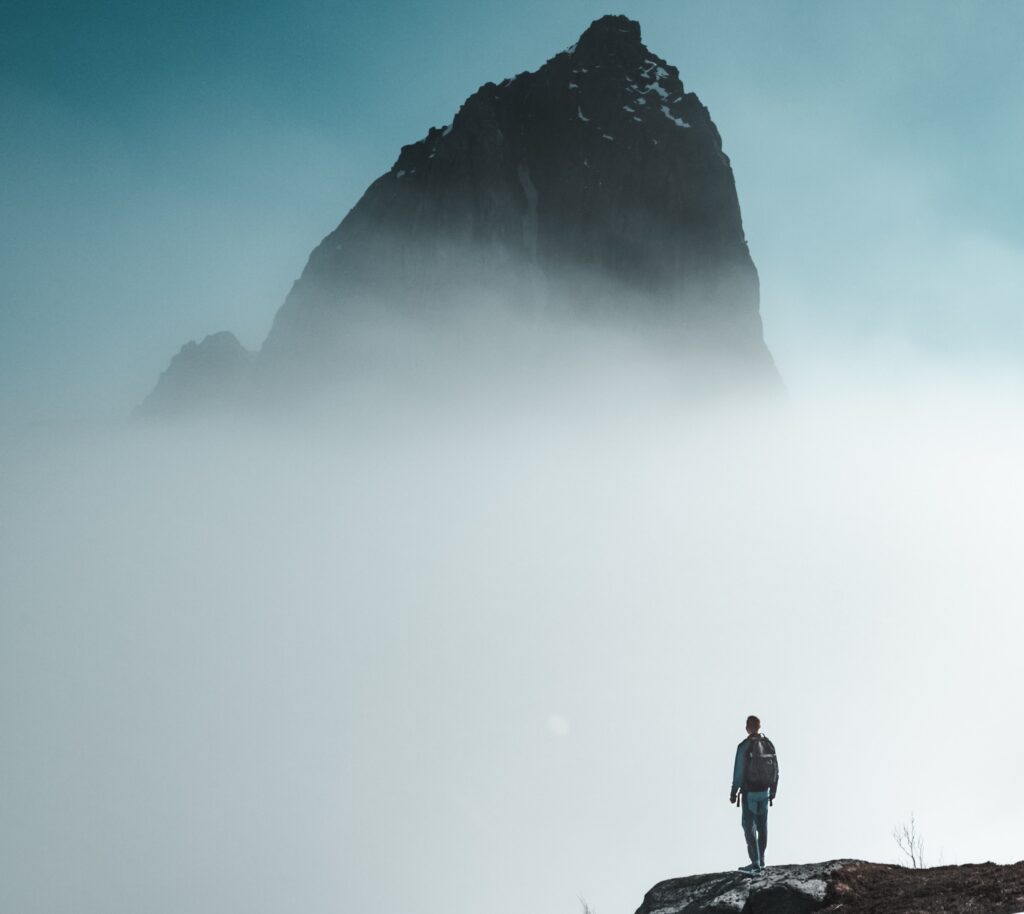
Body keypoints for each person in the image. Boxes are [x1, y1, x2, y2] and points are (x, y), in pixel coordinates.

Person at [729, 715, 779, 874]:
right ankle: (762, 860)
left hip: (749, 793)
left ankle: (755, 864)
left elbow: (738, 771)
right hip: (765, 792)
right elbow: (776, 769)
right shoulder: (768, 744)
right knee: (762, 826)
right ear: (759, 726)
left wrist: (733, 791)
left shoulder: (744, 746)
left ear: (748, 727)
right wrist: (774, 789)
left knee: (749, 826)